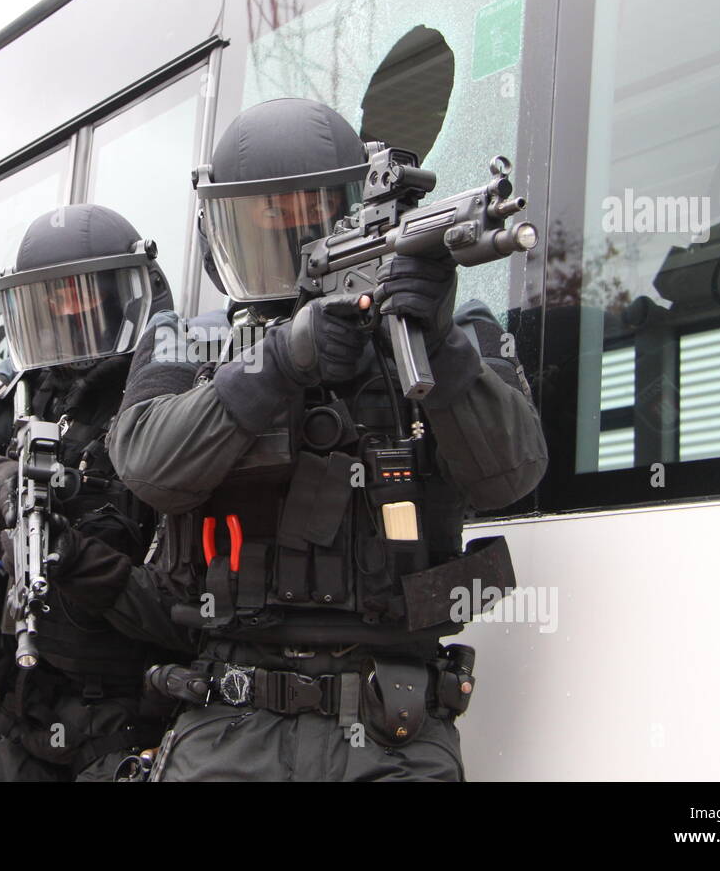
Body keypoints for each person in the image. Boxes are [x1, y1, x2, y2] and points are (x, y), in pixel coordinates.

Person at [102, 98, 549, 781]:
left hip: (393, 724)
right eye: (259, 225)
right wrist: (279, 362)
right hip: (231, 718)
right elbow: (149, 467)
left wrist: (440, 342)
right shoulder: (185, 339)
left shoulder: (449, 331)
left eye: (304, 218)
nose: (285, 249)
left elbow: (511, 476)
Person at [0, 204, 188, 781]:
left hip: (132, 713)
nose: (67, 313)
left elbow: (189, 611)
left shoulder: (175, 384)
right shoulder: (27, 386)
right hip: (16, 702)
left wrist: (82, 562)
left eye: (83, 294)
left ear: (130, 292)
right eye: (50, 300)